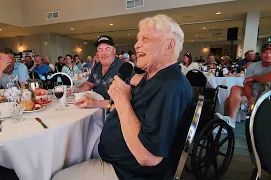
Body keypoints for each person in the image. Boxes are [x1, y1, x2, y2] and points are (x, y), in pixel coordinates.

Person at [54, 14, 193, 180]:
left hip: (127, 172)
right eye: (138, 39)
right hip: (111, 153)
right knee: (68, 150)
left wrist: (122, 101)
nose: (136, 45)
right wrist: (95, 102)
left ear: (169, 46)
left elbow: (148, 157)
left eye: (145, 39)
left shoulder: (170, 85)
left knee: (58, 175)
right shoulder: (153, 77)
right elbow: (131, 108)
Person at [216, 44, 271, 128]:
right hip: (253, 92)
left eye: (270, 52)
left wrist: (253, 77)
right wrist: (250, 98)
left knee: (228, 100)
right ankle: (230, 121)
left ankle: (227, 125)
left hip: (266, 95)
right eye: (265, 52)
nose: (268, 55)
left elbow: (264, 79)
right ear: (261, 54)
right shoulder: (253, 66)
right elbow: (247, 83)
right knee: (234, 89)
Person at [73, 35, 134, 108]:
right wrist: (76, 90)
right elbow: (89, 83)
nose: (104, 53)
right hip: (95, 109)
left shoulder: (124, 68)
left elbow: (129, 100)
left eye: (107, 49)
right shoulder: (96, 67)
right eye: (100, 49)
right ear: (97, 53)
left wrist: (95, 103)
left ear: (114, 51)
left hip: (114, 113)